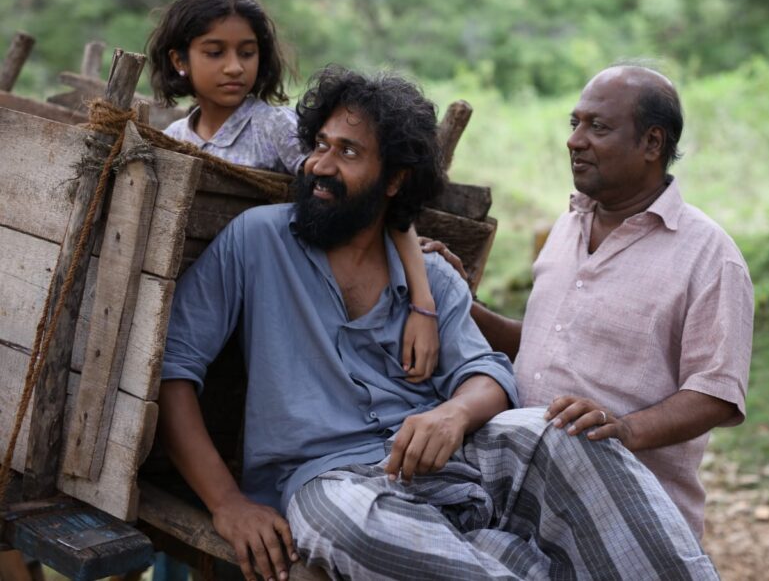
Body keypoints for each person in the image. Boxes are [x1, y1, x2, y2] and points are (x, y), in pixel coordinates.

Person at [159, 66, 720, 581]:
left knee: (559, 432)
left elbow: (488, 375)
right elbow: (172, 366)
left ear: (394, 180)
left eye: (348, 152)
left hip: (453, 466)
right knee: (350, 524)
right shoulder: (257, 240)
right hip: (328, 481)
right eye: (320, 146)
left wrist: (452, 414)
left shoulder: (429, 275)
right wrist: (226, 503)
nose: (322, 166)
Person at [424, 64, 754, 539]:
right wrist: (457, 300)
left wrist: (626, 429)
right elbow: (541, 342)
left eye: (597, 127)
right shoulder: (568, 226)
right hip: (521, 502)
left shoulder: (709, 254)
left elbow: (716, 393)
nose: (574, 140)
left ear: (652, 143)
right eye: (574, 123)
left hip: (629, 518)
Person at [147, 0, 440, 382]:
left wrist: (423, 301)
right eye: (215, 53)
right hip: (194, 296)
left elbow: (358, 195)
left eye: (247, 53)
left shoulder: (273, 126)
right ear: (179, 60)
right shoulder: (175, 138)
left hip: (276, 295)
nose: (234, 67)